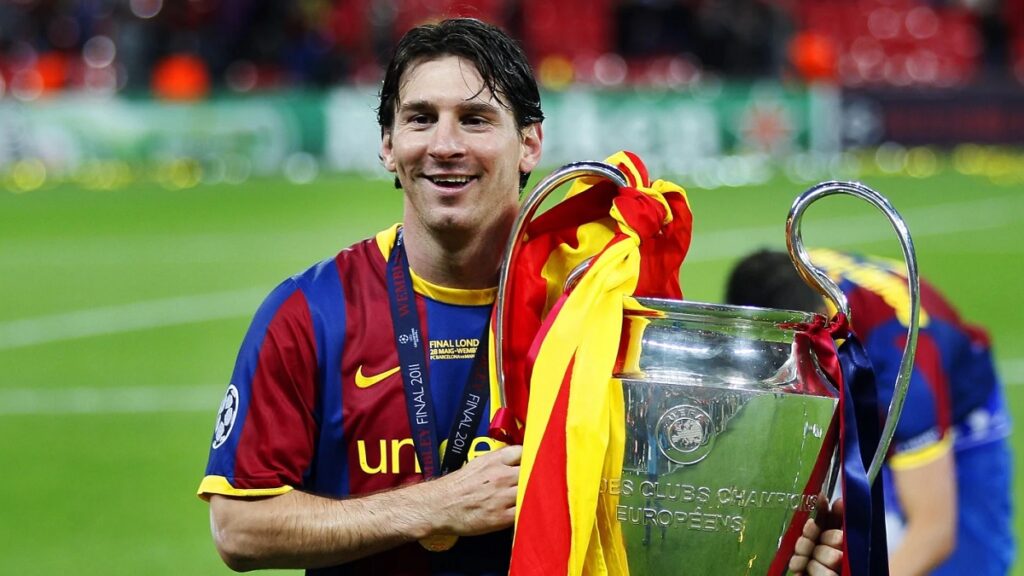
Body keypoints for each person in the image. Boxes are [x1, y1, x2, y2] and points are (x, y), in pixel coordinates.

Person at [197, 18, 843, 575]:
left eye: (475, 119)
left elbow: (668, 515)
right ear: (388, 146)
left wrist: (771, 552)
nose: (445, 145)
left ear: (530, 142)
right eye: (420, 119)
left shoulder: (594, 312)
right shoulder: (310, 313)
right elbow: (238, 528)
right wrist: (436, 506)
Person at [726, 248, 1014, 576]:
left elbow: (933, 533)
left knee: (965, 565)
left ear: (820, 319)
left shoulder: (905, 370)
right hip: (864, 382)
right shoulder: (785, 285)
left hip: (957, 414)